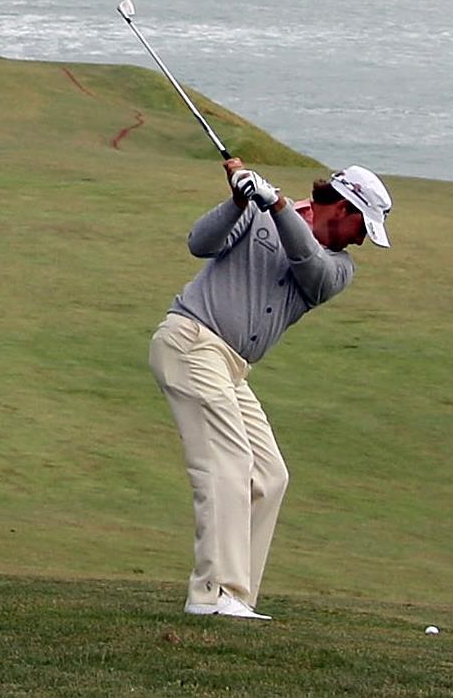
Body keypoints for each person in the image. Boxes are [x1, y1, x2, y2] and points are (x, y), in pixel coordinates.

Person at [151, 158, 390, 622]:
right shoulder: (257, 210)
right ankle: (213, 593)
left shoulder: (339, 268)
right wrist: (237, 200)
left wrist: (276, 203)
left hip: (233, 368)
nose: (363, 239)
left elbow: (309, 265)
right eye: (363, 225)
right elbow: (199, 243)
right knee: (227, 463)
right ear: (342, 208)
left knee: (270, 475)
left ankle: (238, 597)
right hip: (191, 341)